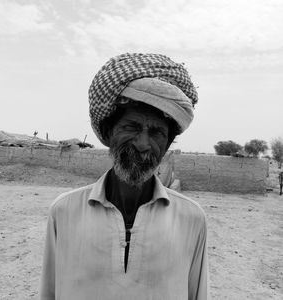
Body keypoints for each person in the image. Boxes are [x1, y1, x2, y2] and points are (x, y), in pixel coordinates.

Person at [40, 53, 210, 300]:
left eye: (156, 133)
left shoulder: (192, 219)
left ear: (167, 143)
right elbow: (49, 292)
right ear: (109, 133)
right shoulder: (64, 212)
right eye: (131, 127)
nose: (143, 144)